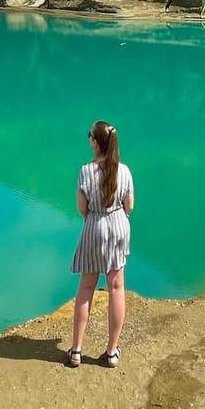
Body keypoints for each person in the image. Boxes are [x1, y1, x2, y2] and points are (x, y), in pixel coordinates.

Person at [67, 119, 134, 368]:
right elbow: (130, 206)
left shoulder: (86, 171)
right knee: (116, 287)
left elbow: (82, 208)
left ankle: (76, 351)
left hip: (94, 226)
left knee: (86, 287)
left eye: (90, 136)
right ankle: (112, 352)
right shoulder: (124, 171)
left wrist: (96, 218)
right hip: (118, 226)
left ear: (95, 142)